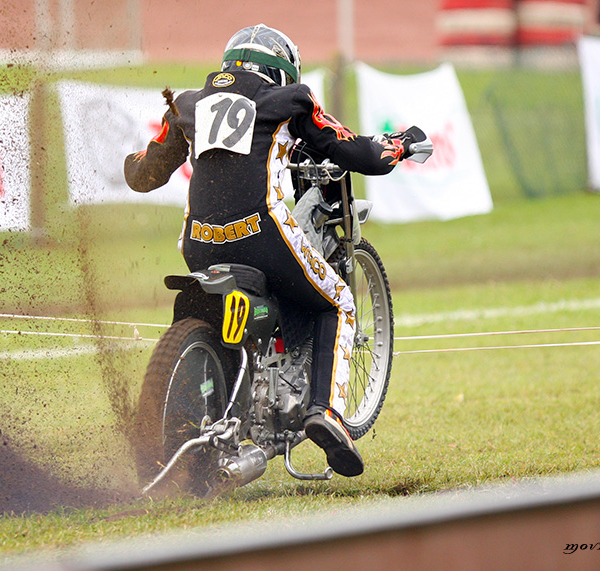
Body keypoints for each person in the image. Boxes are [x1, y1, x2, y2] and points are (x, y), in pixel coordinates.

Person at [124, 24, 416, 477]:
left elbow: (143, 175)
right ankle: (327, 413)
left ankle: (219, 396)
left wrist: (131, 161)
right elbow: (361, 154)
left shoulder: (187, 104)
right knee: (338, 301)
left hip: (198, 247)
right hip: (262, 236)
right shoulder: (290, 100)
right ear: (280, 70)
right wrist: (401, 144)